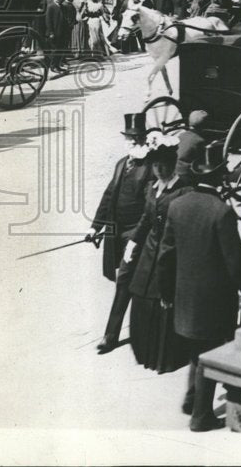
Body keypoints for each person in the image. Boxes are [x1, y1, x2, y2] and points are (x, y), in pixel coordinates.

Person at [157, 141, 241, 432]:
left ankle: (190, 398)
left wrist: (165, 294)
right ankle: (201, 415)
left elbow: (165, 255)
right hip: (213, 302)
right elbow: (234, 263)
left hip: (184, 297)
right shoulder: (221, 212)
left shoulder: (177, 206)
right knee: (209, 353)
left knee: (195, 351)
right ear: (219, 178)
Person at [126, 137, 193, 372]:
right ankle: (145, 352)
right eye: (155, 166)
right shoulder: (151, 189)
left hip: (172, 253)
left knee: (164, 301)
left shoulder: (183, 190)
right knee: (143, 298)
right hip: (151, 250)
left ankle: (165, 357)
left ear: (173, 165)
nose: (159, 170)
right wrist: (133, 241)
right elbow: (146, 219)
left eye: (164, 166)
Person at [90, 113, 152, 353]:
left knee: (125, 281)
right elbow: (108, 197)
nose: (132, 144)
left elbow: (149, 209)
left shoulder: (148, 168)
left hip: (135, 235)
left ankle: (111, 335)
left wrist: (135, 240)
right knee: (128, 281)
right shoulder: (121, 164)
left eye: (137, 139)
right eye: (129, 139)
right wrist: (94, 227)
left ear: (144, 140)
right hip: (116, 233)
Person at [176, 111, 208, 178]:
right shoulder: (199, 140)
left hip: (174, 170)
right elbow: (201, 161)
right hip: (185, 173)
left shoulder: (181, 135)